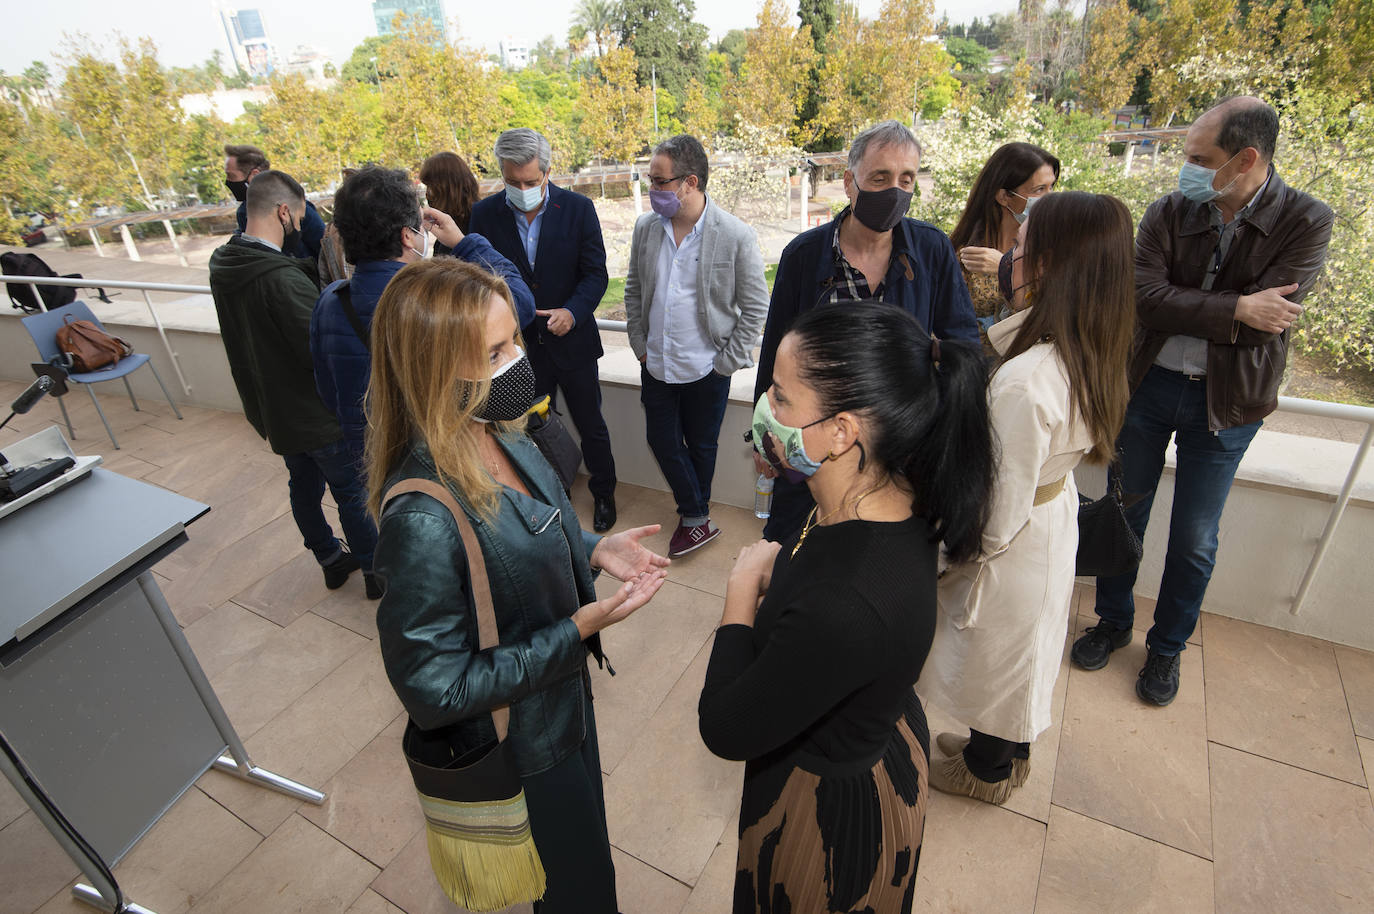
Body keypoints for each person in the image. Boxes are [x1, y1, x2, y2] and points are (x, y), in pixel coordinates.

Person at [367, 258, 670, 913]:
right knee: (576, 889)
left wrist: (592, 550)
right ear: (433, 370)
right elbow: (434, 688)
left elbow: (527, 535)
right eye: (495, 350)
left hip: (562, 704)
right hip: (523, 742)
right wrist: (574, 633)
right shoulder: (421, 516)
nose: (517, 362)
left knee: (586, 864)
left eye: (516, 341)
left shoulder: (498, 429)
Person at [699, 301, 993, 914]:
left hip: (827, 820)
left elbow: (725, 727)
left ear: (842, 432)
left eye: (780, 398)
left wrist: (739, 593)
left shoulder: (849, 605)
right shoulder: (876, 490)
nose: (764, 409)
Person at [1071, 96, 1335, 706]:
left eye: (1198, 157)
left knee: (1195, 537)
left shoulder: (1307, 220)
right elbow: (1144, 296)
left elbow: (1279, 318)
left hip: (1229, 401)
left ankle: (1166, 650)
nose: (1184, 168)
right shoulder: (1170, 210)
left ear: (1245, 160)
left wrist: (1201, 306)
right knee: (1121, 511)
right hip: (1148, 386)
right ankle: (1112, 622)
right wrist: (1240, 306)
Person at [918, 191, 1137, 804]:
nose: (1009, 256)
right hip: (1048, 516)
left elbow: (994, 516)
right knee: (1022, 656)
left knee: (999, 657)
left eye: (1021, 246)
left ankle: (988, 773)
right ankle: (1003, 753)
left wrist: (944, 558)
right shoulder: (1092, 342)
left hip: (1016, 537)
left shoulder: (1027, 382)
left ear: (1046, 265)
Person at [756, 119, 981, 543]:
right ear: (849, 182)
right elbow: (774, 354)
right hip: (813, 449)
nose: (894, 190)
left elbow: (962, 343)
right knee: (793, 554)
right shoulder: (804, 256)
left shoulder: (931, 250)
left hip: (901, 455)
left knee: (879, 559)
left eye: (906, 178)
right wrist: (762, 434)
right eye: (880, 177)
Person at [311, 165, 535, 486]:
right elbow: (519, 305)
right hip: (441, 465)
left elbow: (328, 392)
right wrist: (465, 242)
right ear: (406, 235)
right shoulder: (432, 302)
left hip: (372, 463)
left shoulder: (331, 300)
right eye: (419, 226)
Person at [208, 170, 375, 595]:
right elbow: (319, 349)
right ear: (284, 211)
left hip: (273, 409)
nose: (300, 227)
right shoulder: (277, 279)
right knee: (352, 493)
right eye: (298, 217)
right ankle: (378, 575)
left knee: (302, 485)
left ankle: (329, 558)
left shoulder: (228, 261)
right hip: (314, 413)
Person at [625, 133, 769, 557]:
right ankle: (697, 516)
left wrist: (726, 362)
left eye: (659, 181)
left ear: (690, 182)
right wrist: (638, 342)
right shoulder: (646, 228)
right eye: (650, 179)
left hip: (708, 368)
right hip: (656, 362)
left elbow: (756, 308)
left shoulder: (735, 235)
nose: (651, 189)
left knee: (702, 445)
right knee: (661, 440)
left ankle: (693, 519)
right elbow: (633, 289)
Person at [470, 128, 620, 532]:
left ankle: (604, 492)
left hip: (573, 341)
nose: (522, 189)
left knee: (591, 424)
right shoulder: (482, 215)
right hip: (520, 349)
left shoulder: (578, 209)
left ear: (549, 171)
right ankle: (557, 498)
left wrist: (573, 311)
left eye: (531, 182)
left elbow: (595, 274)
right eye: (512, 182)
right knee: (532, 430)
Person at [948, 142, 1059, 352]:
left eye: (1051, 187)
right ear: (1004, 196)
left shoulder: (1056, 249)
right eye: (1039, 189)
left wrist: (1004, 266)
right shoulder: (965, 254)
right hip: (978, 371)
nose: (1050, 198)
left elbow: (1058, 313)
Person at [224, 143, 325, 261]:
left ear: (255, 175)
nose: (228, 181)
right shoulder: (243, 212)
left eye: (231, 176)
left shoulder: (297, 207)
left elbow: (324, 250)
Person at [420, 151, 481, 238]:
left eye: (431, 186)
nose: (428, 194)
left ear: (448, 187)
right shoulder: (446, 226)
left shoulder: (479, 222)